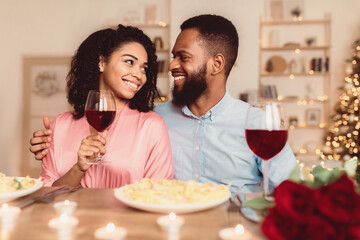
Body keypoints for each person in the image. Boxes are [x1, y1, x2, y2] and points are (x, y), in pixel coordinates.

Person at [30, 14, 296, 193]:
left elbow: (293, 195)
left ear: (216, 64)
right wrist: (51, 140)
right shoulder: (156, 117)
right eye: (172, 56)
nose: (171, 66)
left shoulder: (257, 125)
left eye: (183, 57)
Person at [36, 24, 174, 188]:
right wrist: (78, 169)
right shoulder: (61, 125)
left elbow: (159, 193)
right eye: (129, 62)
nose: (139, 75)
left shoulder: (150, 126)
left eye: (144, 68)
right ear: (102, 62)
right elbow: (46, 194)